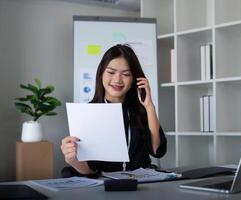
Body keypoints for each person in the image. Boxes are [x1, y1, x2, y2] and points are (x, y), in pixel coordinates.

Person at [61, 44, 167, 177]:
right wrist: (73, 160)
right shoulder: (87, 113)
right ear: (101, 73)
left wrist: (149, 106)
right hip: (104, 187)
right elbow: (91, 170)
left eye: (126, 74)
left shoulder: (140, 110)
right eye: (111, 72)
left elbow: (157, 150)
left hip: (140, 185)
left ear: (134, 79)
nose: (117, 80)